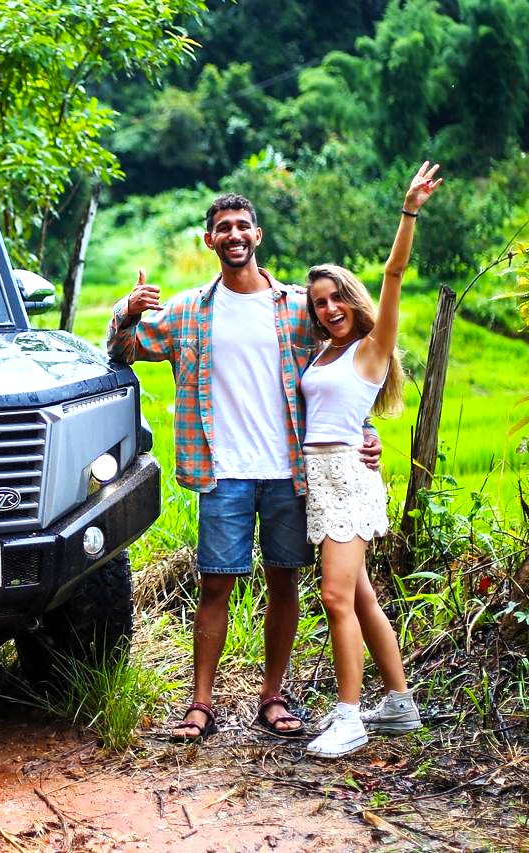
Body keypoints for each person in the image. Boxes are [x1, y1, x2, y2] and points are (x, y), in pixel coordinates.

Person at [108, 194, 381, 743]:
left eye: (242, 226)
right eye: (222, 228)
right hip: (221, 471)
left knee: (285, 583)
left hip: (290, 472)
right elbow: (122, 351)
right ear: (210, 241)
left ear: (257, 235)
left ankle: (272, 698)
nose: (233, 235)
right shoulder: (187, 311)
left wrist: (364, 431)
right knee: (216, 586)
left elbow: (348, 365)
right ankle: (200, 705)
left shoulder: (299, 307)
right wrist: (127, 311)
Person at [301, 163, 441, 759]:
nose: (328, 308)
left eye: (335, 298)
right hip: (320, 477)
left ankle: (350, 716)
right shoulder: (323, 352)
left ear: (351, 300)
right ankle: (399, 701)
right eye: (318, 303)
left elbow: (394, 271)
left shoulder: (371, 346)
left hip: (347, 482)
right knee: (358, 596)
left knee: (335, 597)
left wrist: (408, 210)